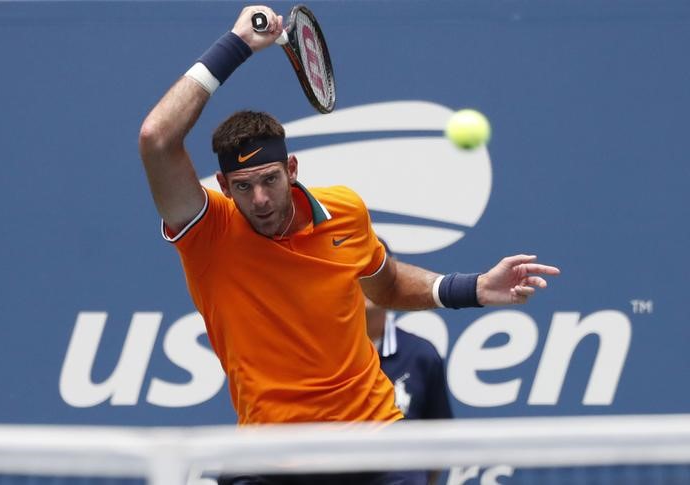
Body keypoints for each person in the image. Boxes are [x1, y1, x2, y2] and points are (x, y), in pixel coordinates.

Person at [138, 5, 560, 484]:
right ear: (223, 184)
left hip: (374, 442)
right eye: (243, 185)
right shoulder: (207, 231)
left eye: (270, 180)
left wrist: (473, 287)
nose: (258, 199)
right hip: (269, 461)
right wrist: (236, 45)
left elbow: (388, 285)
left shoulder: (345, 211)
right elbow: (156, 139)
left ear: (292, 170)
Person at [365, 238, 452, 485]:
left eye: (376, 271)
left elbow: (439, 442)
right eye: (358, 271)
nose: (367, 281)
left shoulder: (422, 355)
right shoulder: (319, 355)